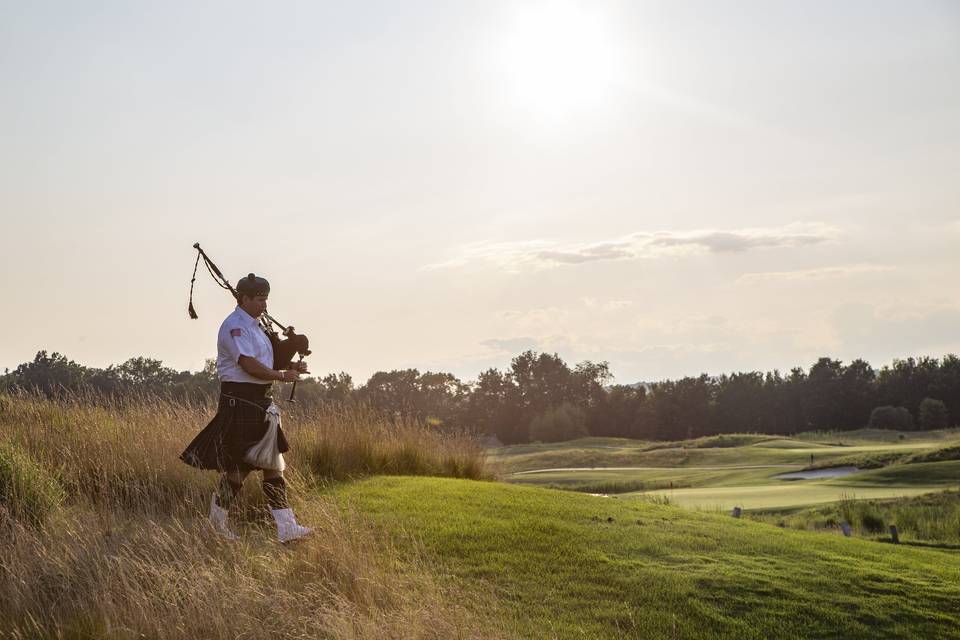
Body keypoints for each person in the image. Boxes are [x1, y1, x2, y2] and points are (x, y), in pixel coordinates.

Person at [181, 273, 312, 542]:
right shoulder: (234, 327)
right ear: (244, 298)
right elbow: (248, 365)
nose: (265, 305)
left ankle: (283, 527)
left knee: (267, 465)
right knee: (241, 471)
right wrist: (281, 376)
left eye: (266, 299)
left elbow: (268, 361)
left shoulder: (257, 327)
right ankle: (222, 526)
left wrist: (290, 367)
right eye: (260, 299)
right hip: (240, 402)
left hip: (259, 403)